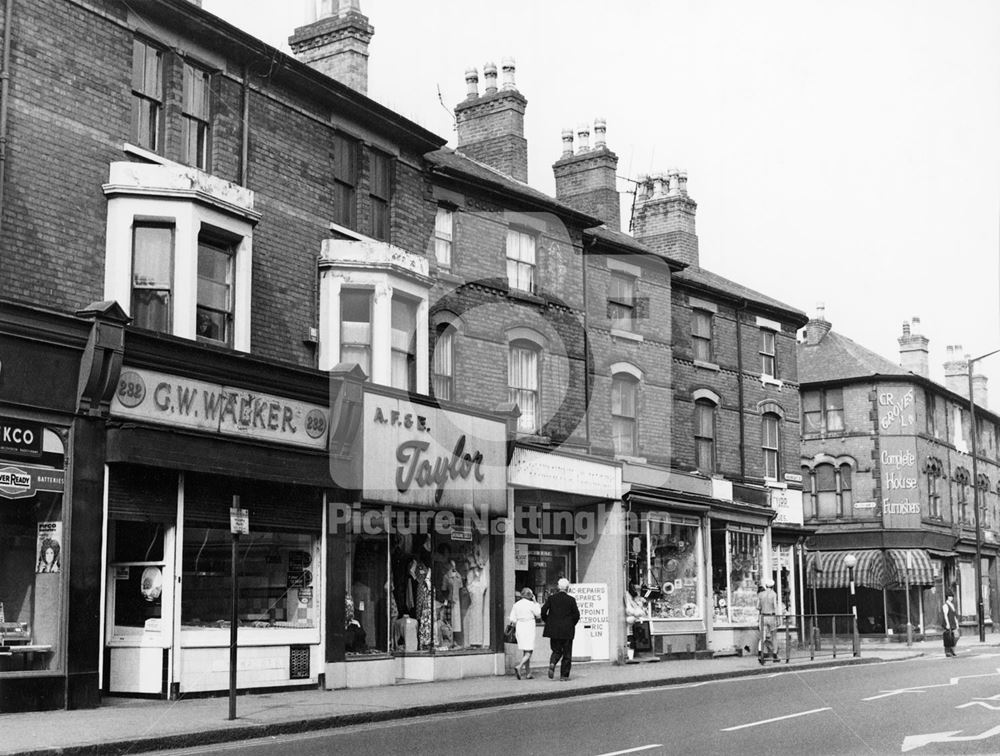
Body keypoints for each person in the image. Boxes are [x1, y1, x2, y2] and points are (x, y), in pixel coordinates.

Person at [540, 578, 580, 681]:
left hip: (553, 629)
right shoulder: (571, 600)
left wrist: (548, 621)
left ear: (558, 587)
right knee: (567, 653)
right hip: (567, 630)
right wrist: (571, 624)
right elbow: (576, 615)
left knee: (556, 650)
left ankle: (553, 663)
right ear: (567, 588)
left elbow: (543, 611)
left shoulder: (551, 598)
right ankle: (564, 676)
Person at [509, 587, 542, 679]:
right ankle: (519, 666)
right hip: (529, 626)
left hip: (520, 626)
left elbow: (512, 619)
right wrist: (535, 602)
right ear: (531, 595)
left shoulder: (516, 604)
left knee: (525, 650)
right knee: (529, 651)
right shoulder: (531, 604)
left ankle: (528, 673)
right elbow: (538, 614)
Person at [756, 578, 779, 664]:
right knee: (774, 636)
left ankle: (761, 653)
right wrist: (778, 617)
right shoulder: (773, 594)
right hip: (771, 616)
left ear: (766, 586)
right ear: (773, 586)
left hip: (763, 617)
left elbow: (757, 606)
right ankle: (774, 655)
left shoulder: (761, 594)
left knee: (763, 636)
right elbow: (775, 606)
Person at [942, 592, 959, 657]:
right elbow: (945, 615)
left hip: (953, 623)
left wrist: (957, 623)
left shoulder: (952, 605)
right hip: (949, 623)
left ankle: (952, 649)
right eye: (950, 596)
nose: (951, 598)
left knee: (956, 636)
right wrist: (947, 624)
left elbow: (954, 615)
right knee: (948, 637)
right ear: (947, 597)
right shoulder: (945, 605)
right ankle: (948, 651)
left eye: (952, 596)